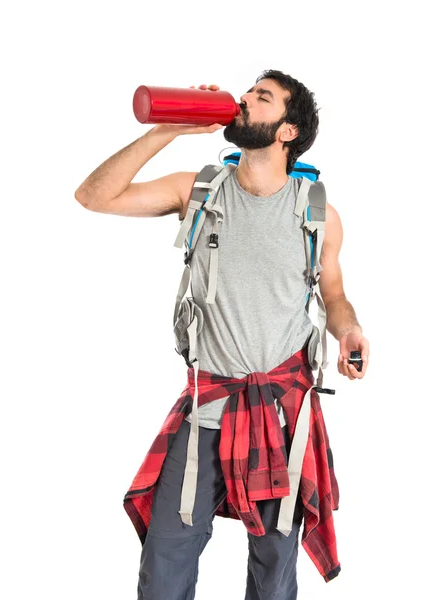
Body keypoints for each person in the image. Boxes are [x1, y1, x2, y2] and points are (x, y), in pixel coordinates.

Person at [75, 69, 370, 600]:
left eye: (262, 97)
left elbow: (334, 293)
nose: (244, 99)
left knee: (275, 569)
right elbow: (93, 196)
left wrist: (348, 330)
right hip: (206, 408)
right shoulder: (201, 190)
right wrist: (167, 130)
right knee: (165, 560)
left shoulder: (317, 212)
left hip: (281, 416)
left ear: (287, 130)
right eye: (249, 90)